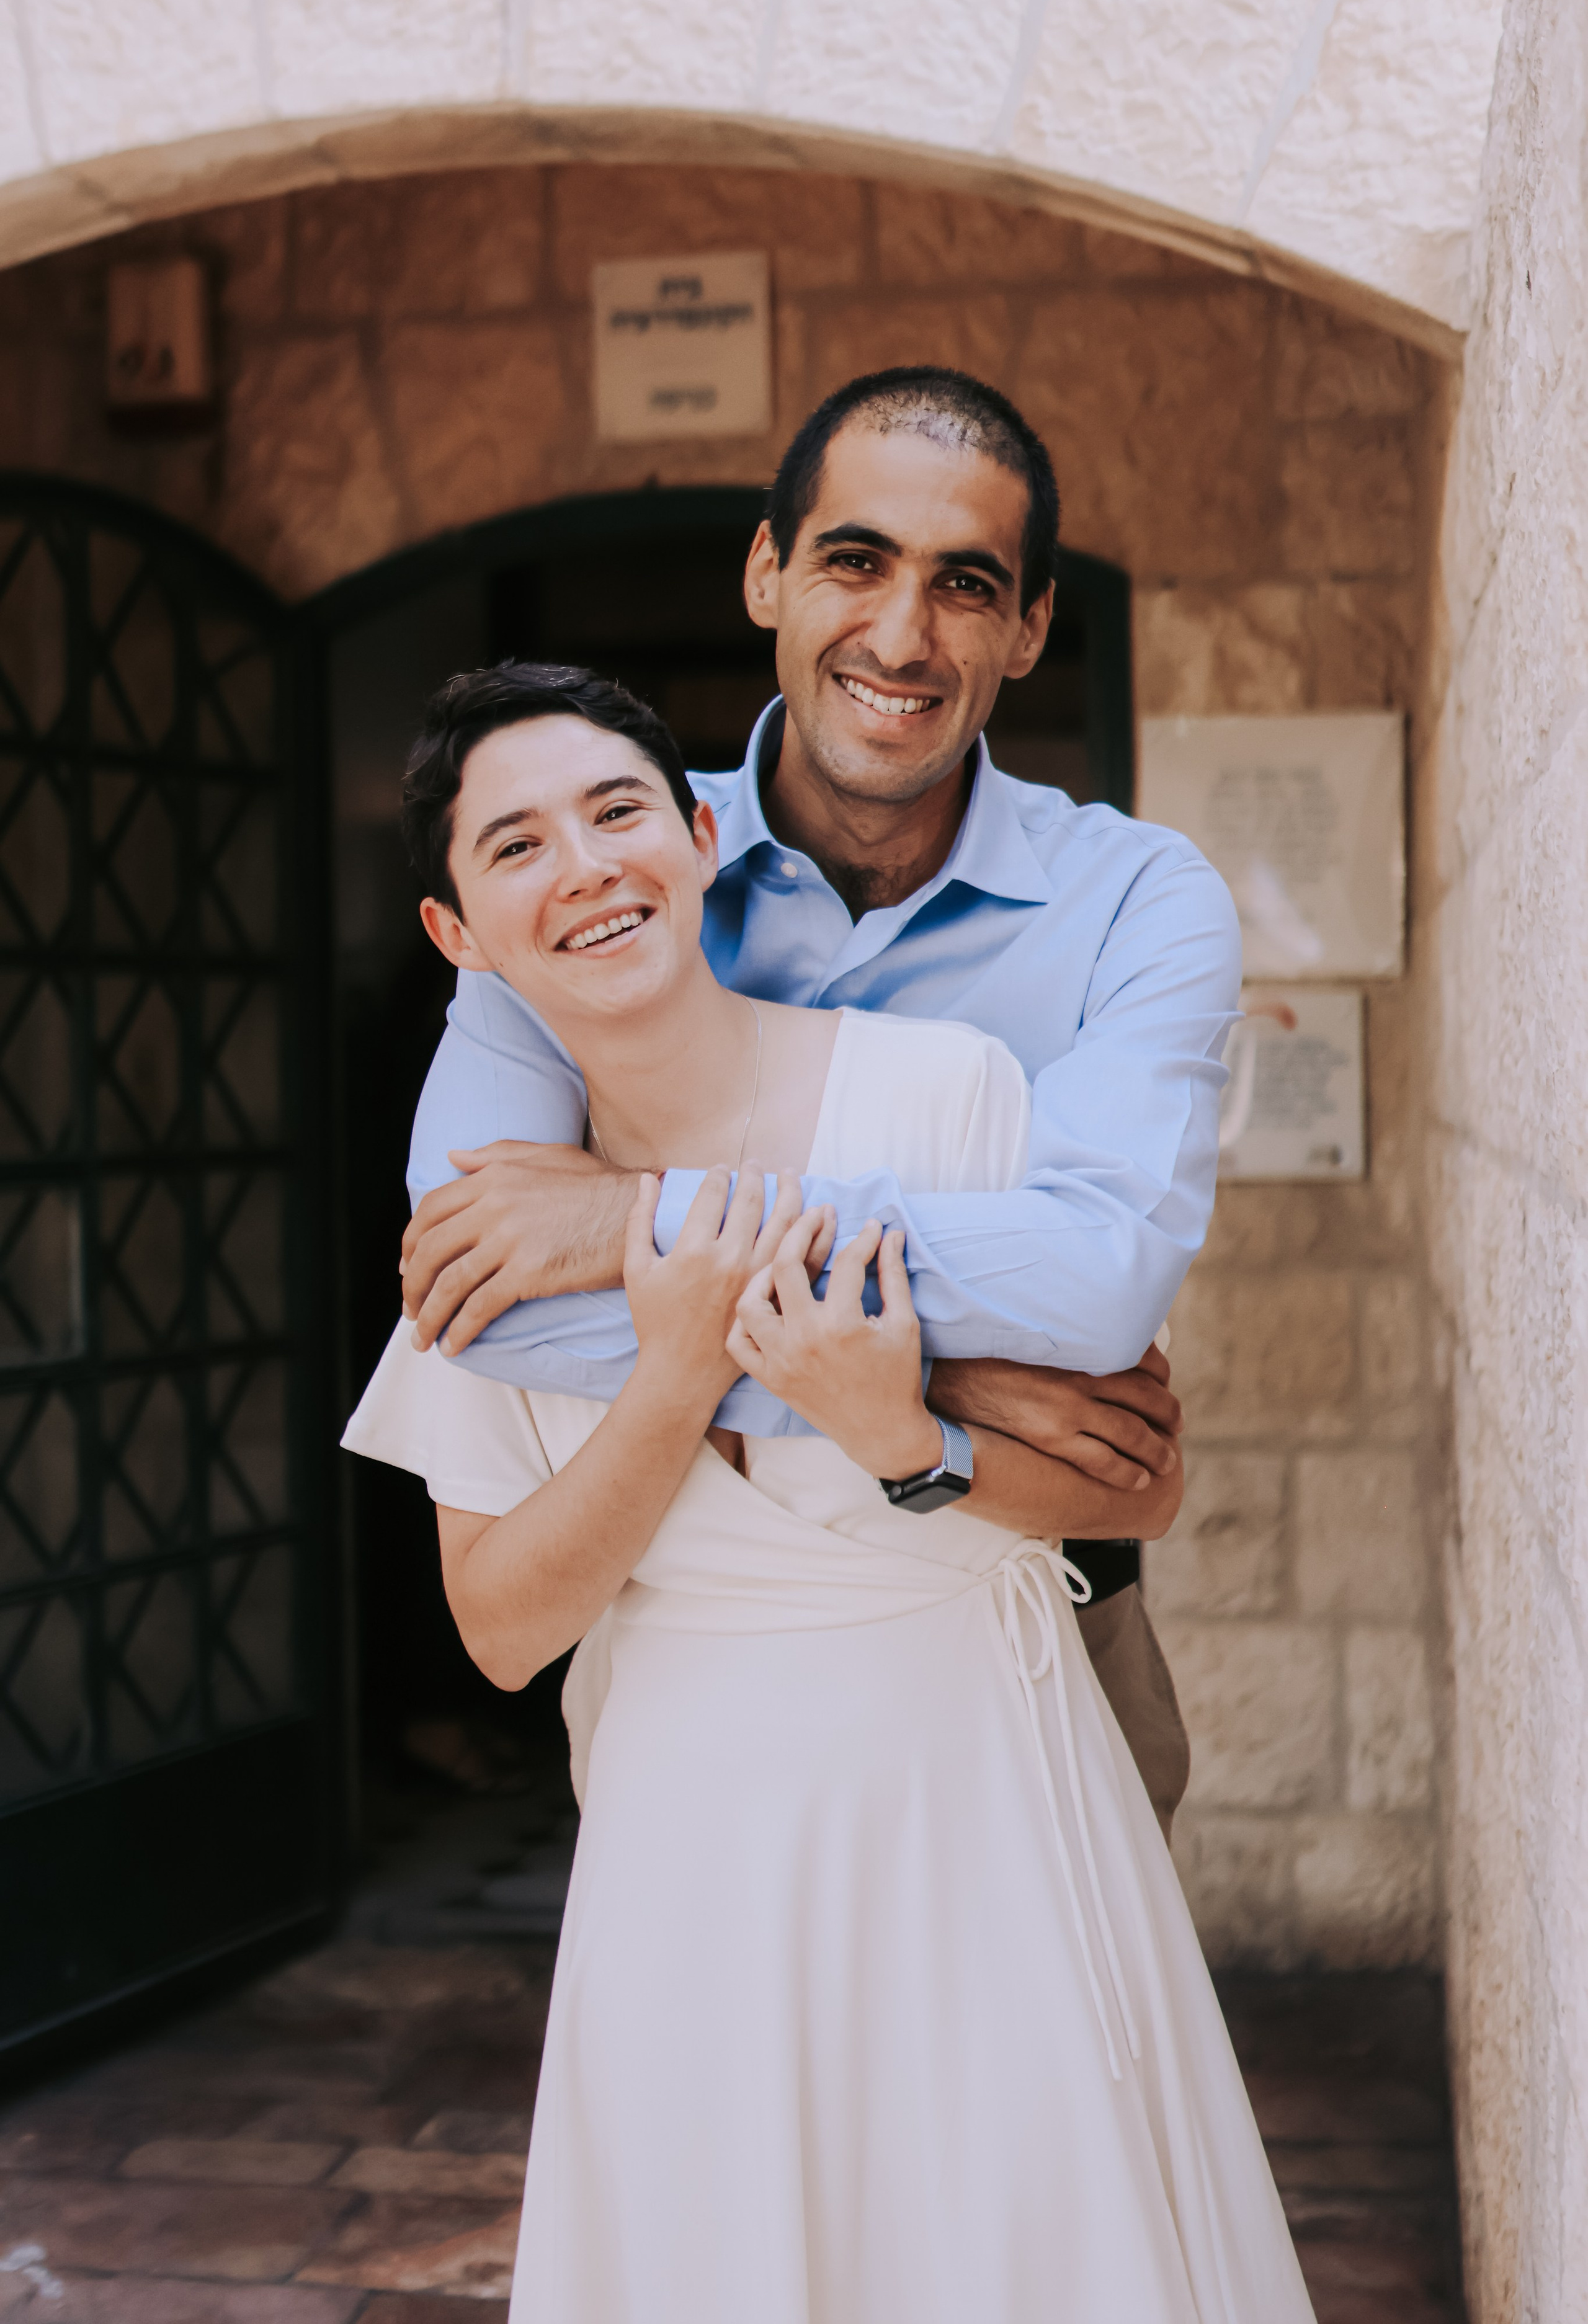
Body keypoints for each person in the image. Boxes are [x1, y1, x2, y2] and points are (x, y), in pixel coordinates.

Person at [343, 663, 1312, 2320]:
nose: (582, 865)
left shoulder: (943, 1097)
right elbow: (502, 1628)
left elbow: (1118, 1479)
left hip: (977, 1785)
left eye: (618, 810)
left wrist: (898, 1437)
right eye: (515, 846)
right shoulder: (491, 1214)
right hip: (690, 1833)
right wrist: (668, 1379)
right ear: (459, 936)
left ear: (704, 833)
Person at [396, 365, 1241, 1840]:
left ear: (1030, 627)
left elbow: (1099, 1281)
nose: (900, 635)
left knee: (1056, 2055)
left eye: (966, 584)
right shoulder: (608, 879)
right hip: (708, 1642)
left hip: (1035, 1580)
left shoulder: (1137, 900)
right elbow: (488, 1291)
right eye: (854, 560)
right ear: (766, 575)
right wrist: (927, 1384)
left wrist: (634, 1225)